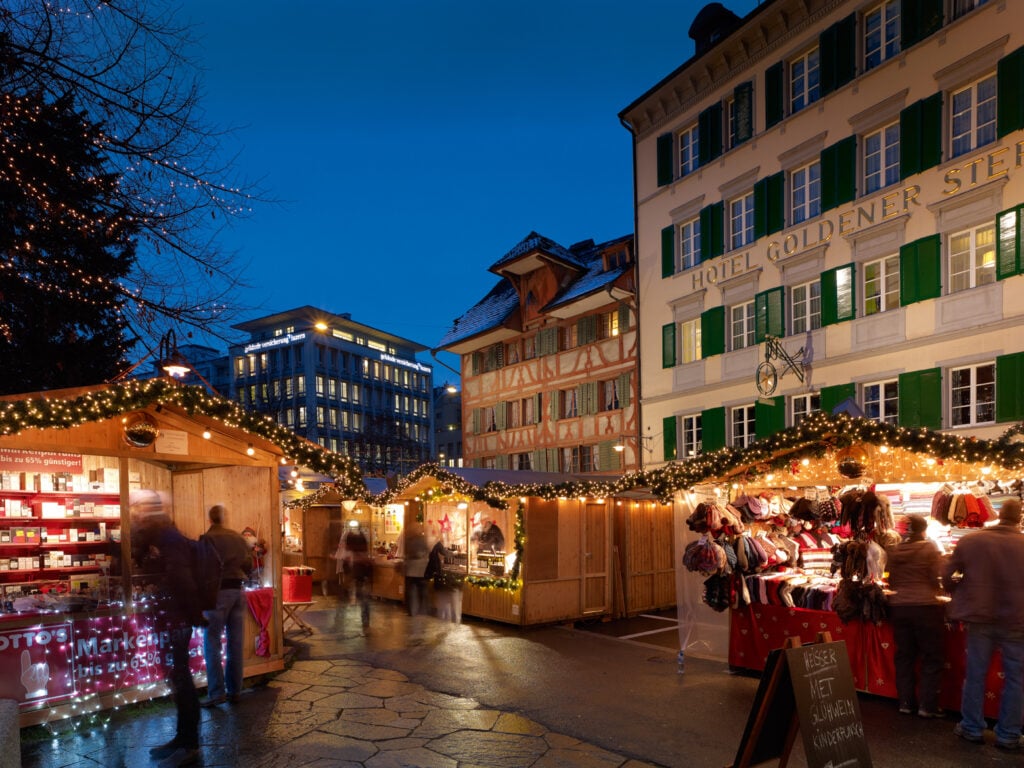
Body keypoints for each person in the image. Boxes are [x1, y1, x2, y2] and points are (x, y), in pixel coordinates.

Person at [944, 497, 1024, 751]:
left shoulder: (972, 541)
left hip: (979, 617)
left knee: (975, 675)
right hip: (1017, 619)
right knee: (1016, 679)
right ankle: (1009, 734)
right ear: (1020, 517)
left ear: (999, 514)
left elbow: (946, 575)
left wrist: (962, 591)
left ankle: (971, 727)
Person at [130, 491, 203, 768]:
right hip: (172, 618)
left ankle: (189, 743)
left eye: (137, 509)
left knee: (181, 680)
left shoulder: (168, 538)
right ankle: (181, 739)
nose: (134, 514)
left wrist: (193, 615)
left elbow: (181, 577)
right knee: (177, 678)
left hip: (176, 620)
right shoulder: (159, 536)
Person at [886, 515, 946, 718]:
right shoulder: (929, 549)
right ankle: (926, 706)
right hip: (925, 607)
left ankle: (905, 702)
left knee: (904, 655)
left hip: (900, 607)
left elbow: (891, 581)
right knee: (931, 656)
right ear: (923, 530)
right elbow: (935, 578)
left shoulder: (895, 551)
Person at [199, 504, 253, 707]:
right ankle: (235, 690)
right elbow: (248, 564)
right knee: (235, 642)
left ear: (210, 519)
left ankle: (216, 693)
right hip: (238, 591)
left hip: (217, 593)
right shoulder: (237, 537)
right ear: (224, 517)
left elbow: (202, 568)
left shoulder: (207, 539)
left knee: (212, 641)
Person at [340, 525, 373, 628]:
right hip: (362, 575)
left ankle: (365, 619)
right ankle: (365, 620)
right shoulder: (362, 553)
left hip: (359, 575)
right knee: (364, 598)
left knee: (362, 597)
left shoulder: (354, 554)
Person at [402, 523, 429, 616]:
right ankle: (420, 609)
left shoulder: (409, 540)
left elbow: (407, 553)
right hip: (419, 570)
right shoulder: (421, 540)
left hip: (413, 569)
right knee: (420, 590)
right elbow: (426, 551)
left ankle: (412, 610)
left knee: (412, 591)